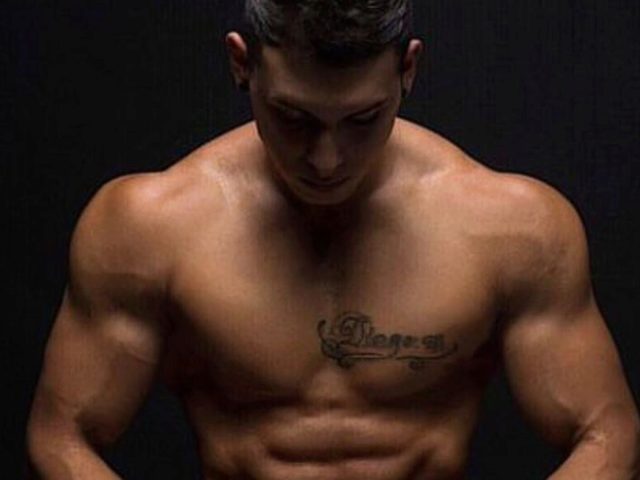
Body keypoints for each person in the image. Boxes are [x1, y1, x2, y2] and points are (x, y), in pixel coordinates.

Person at [26, 1, 639, 478]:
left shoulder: (513, 227)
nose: (326, 159)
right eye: (294, 118)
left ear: (408, 70)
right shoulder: (149, 226)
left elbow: (608, 431)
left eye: (362, 120)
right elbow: (61, 434)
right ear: (242, 64)